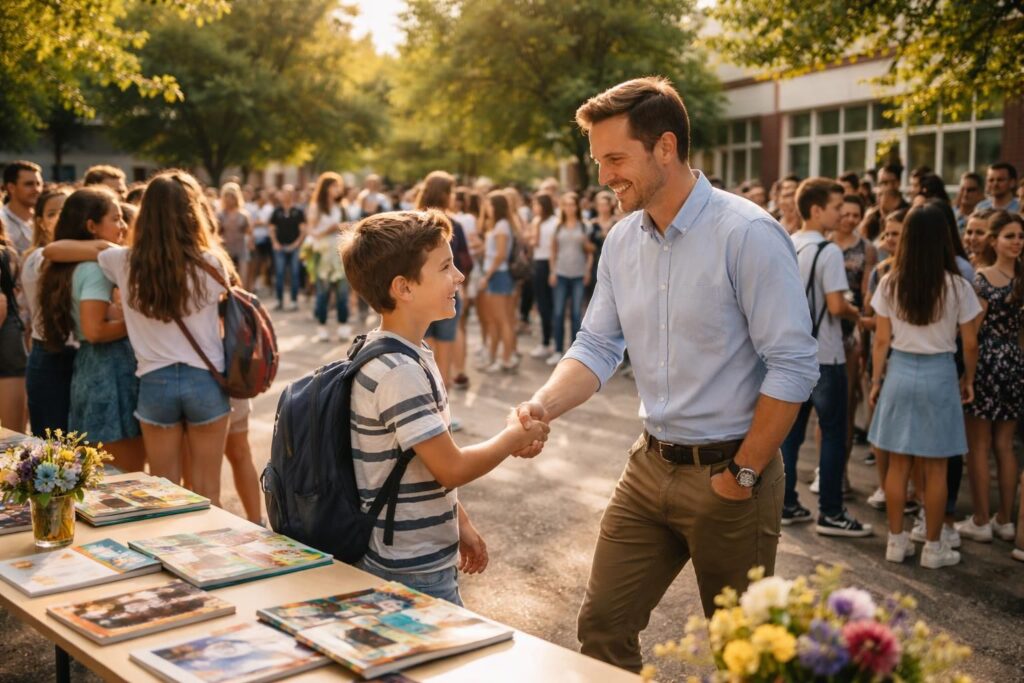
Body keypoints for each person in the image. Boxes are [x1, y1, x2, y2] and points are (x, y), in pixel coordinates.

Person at [516, 77, 818, 672]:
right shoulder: (622, 239)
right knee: (602, 626)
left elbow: (793, 362)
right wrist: (541, 405)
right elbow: (598, 345)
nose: (604, 177)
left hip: (734, 473)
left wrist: (744, 471)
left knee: (746, 655)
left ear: (665, 147)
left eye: (615, 159)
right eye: (599, 160)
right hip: (648, 467)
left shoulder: (748, 233)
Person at [338, 209, 548, 603]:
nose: (460, 276)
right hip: (411, 568)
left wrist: (460, 522)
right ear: (404, 287)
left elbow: (419, 463)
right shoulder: (400, 371)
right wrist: (512, 437)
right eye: (446, 267)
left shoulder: (400, 353)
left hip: (412, 556)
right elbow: (450, 467)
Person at [50, 171, 236, 503]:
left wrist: (100, 244)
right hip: (204, 380)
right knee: (209, 491)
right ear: (192, 213)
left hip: (154, 382)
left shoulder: (121, 260)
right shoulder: (211, 263)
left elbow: (53, 250)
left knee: (163, 492)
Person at [868, 202, 981, 569]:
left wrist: (875, 380)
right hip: (939, 375)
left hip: (899, 371)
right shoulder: (958, 286)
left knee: (898, 465)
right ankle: (933, 548)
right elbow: (970, 343)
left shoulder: (889, 281)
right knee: (935, 469)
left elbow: (881, 341)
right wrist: (969, 378)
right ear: (944, 239)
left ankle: (896, 542)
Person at [782, 179, 867, 535]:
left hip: (793, 354)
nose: (840, 214)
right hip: (826, 355)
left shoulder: (789, 244)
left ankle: (785, 502)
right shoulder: (828, 251)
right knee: (833, 434)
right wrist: (857, 312)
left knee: (791, 434)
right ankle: (831, 512)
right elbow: (835, 305)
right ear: (816, 210)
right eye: (835, 207)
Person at [39, 187, 145, 471]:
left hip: (92, 370)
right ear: (91, 226)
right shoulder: (96, 268)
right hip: (109, 371)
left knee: (100, 474)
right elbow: (95, 330)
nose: (123, 226)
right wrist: (137, 323)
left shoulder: (77, 263)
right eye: (116, 218)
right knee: (126, 475)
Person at [957, 211, 1024, 544]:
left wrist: (967, 375)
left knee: (981, 445)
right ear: (995, 240)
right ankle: (1006, 520)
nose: (1016, 241)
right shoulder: (1019, 279)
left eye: (1019, 236)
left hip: (987, 363)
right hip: (1013, 362)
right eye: (1010, 236)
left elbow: (973, 331)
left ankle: (983, 519)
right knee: (1005, 444)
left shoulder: (982, 279)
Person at [22, 187, 73, 433]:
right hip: (50, 357)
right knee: (53, 451)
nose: (61, 217)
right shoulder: (39, 257)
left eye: (67, 211)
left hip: (76, 357)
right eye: (53, 213)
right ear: (40, 222)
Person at [830, 194, 876, 462]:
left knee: (847, 400)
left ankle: (842, 468)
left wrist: (862, 322)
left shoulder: (866, 248)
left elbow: (867, 290)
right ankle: (824, 469)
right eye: (844, 213)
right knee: (826, 404)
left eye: (854, 215)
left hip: (853, 325)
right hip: (826, 322)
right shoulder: (825, 244)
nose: (849, 219)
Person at [546, 192, 594, 366]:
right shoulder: (558, 227)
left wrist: (588, 271)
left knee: (576, 314)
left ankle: (575, 354)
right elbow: (553, 251)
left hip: (579, 274)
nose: (569, 208)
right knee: (558, 313)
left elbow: (590, 252)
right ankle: (558, 350)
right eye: (565, 204)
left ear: (577, 207)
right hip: (560, 273)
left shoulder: (584, 227)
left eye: (572, 204)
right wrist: (552, 271)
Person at [307, 172, 351, 342]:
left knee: (342, 292)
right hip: (323, 253)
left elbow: (348, 228)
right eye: (334, 186)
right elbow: (311, 232)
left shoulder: (342, 207)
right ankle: (322, 326)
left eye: (338, 186)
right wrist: (330, 229)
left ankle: (343, 326)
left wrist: (342, 227)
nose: (337, 190)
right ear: (326, 188)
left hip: (339, 253)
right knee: (323, 292)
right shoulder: (316, 207)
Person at [477, 191, 518, 373]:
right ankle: (495, 358)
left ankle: (506, 359)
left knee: (502, 321)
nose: (486, 207)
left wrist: (487, 275)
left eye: (489, 204)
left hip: (499, 275)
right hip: (496, 274)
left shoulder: (502, 225)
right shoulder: (498, 224)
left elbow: (501, 254)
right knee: (496, 320)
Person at [0, 213, 27, 432]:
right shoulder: (7, 252)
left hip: (7, 350)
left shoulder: (5, 253)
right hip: (9, 347)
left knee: (10, 442)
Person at [527, 193, 558, 359]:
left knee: (549, 305)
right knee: (542, 304)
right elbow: (534, 243)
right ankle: (547, 340)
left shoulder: (554, 222)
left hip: (549, 263)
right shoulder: (537, 221)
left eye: (536, 204)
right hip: (538, 263)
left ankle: (550, 342)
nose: (534, 208)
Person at [269, 185, 306, 312]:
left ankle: (294, 301)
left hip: (294, 247)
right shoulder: (276, 211)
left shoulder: (298, 211)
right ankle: (279, 300)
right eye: (284, 193)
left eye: (288, 194)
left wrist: (296, 244)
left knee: (294, 273)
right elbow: (272, 229)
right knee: (279, 274)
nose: (285, 196)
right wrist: (275, 242)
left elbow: (303, 230)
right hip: (280, 247)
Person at [2, 160, 43, 255]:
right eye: (29, 184)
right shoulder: (2, 220)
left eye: (39, 184)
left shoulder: (45, 219)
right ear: (11, 187)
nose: (36, 189)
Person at [586, 190, 618, 305]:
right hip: (596, 262)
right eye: (600, 205)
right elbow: (588, 247)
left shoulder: (618, 223)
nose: (603, 208)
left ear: (610, 206)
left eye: (605, 205)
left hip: (615, 263)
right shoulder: (592, 224)